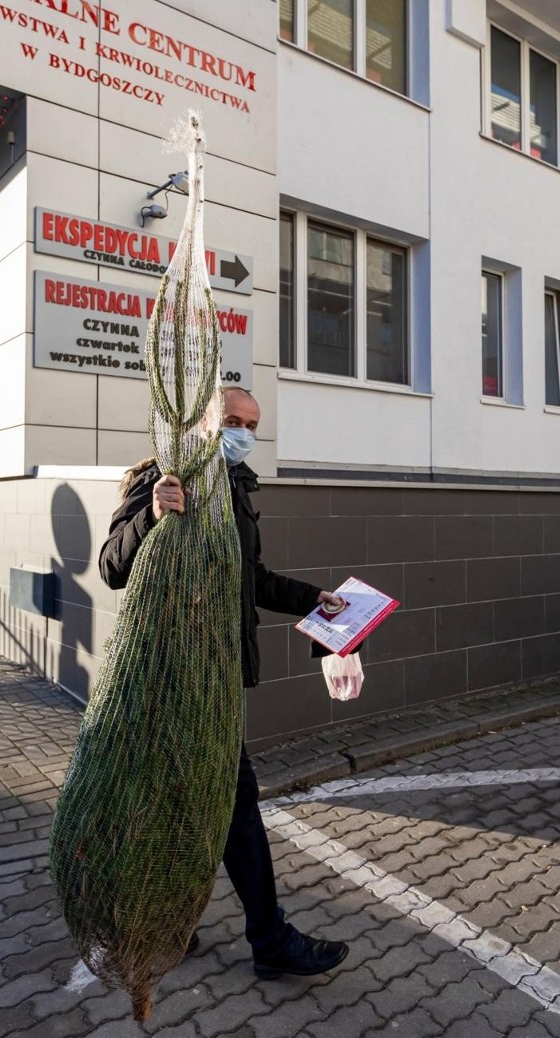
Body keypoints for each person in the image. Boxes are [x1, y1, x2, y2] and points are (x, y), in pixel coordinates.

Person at [98, 386, 350, 980]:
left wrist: (312, 598)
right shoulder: (163, 478)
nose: (243, 432)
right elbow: (111, 565)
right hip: (171, 679)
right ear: (207, 422)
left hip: (215, 677)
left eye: (252, 425)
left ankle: (163, 925)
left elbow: (250, 578)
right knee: (234, 807)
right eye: (233, 421)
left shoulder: (237, 487)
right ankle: (269, 941)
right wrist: (153, 515)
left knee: (186, 808)